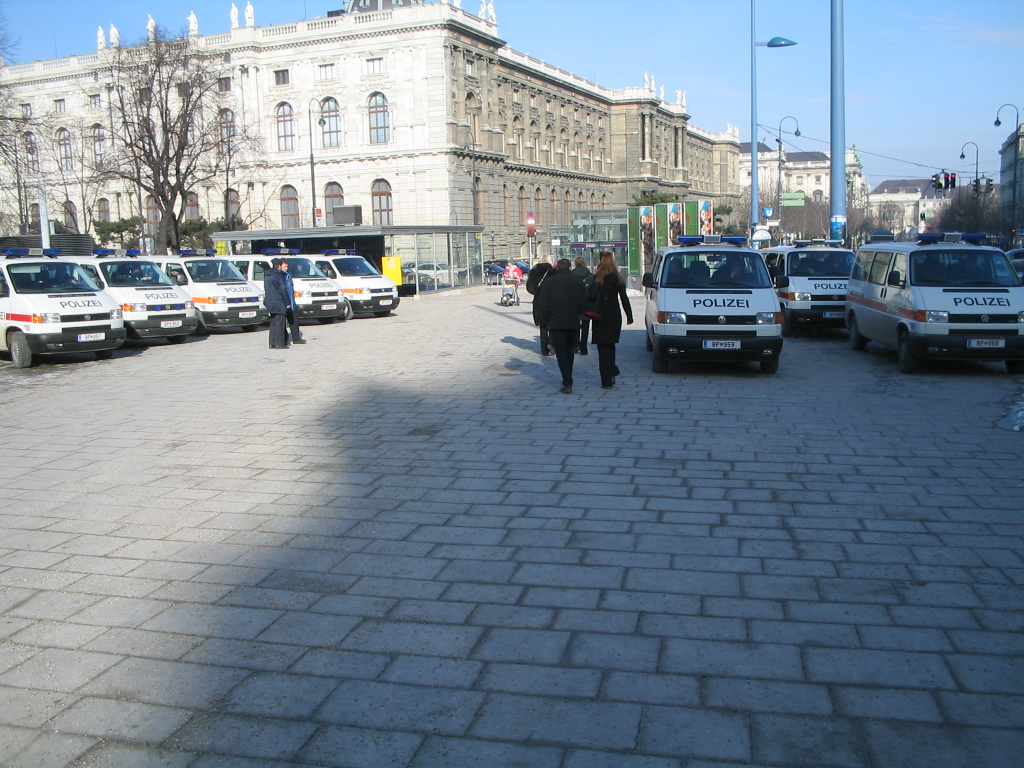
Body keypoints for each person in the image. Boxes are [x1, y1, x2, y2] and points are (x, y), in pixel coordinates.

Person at [536, 258, 588, 394]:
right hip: (573, 321)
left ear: (558, 267)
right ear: (570, 267)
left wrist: (547, 319)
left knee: (561, 351)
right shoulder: (577, 282)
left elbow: (543, 303)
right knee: (570, 350)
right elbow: (584, 302)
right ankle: (568, 375)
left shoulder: (549, 282)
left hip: (556, 322)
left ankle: (567, 380)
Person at [589, 251, 634, 390]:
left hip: (600, 315)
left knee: (602, 348)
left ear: (600, 261)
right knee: (610, 344)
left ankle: (606, 381)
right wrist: (629, 316)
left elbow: (592, 295)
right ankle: (612, 371)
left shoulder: (597, 278)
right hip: (614, 314)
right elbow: (624, 298)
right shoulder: (618, 277)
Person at [526, 259, 553, 356]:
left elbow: (530, 288)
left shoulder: (534, 272)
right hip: (551, 300)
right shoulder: (552, 272)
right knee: (553, 324)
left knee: (543, 327)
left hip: (538, 301)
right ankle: (551, 343)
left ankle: (544, 350)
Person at [264, 258, 291, 349]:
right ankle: (280, 343)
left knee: (273, 323)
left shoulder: (267, 275)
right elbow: (283, 289)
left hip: (270, 301)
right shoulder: (279, 274)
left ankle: (272, 343)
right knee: (280, 323)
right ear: (279, 266)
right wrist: (287, 302)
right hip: (278, 301)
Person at [571, 256, 594, 355]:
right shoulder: (591, 276)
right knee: (585, 326)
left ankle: (575, 345)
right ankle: (583, 347)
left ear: (575, 263)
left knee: (575, 325)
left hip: (574, 304)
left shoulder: (571, 275)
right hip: (587, 303)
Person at [282, 260, 305, 344]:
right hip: (283, 302)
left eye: (287, 266)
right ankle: (285, 339)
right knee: (282, 322)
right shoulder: (279, 276)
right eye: (285, 266)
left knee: (294, 320)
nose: (286, 268)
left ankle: (296, 338)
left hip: (291, 301)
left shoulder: (288, 275)